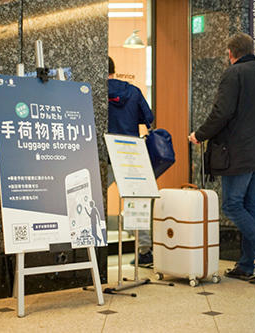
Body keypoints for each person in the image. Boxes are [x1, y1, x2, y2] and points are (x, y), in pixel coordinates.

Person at [188, 32, 255, 282]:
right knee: (250, 205)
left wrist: (199, 134)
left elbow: (222, 112)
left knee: (232, 205)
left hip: (239, 154)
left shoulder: (234, 74)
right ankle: (245, 264)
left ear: (231, 53)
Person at [108, 56, 154, 266]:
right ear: (113, 70)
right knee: (136, 202)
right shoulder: (133, 91)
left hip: (106, 152)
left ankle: (91, 250)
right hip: (130, 152)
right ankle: (145, 251)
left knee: (95, 201)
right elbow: (149, 118)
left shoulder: (94, 92)